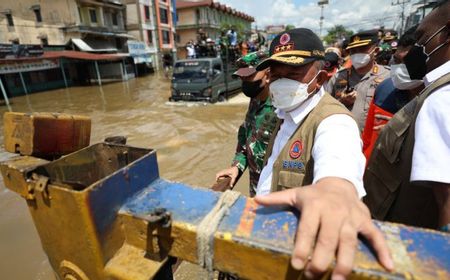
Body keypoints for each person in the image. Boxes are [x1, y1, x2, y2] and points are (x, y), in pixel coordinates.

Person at [253, 28, 393, 279]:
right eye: (276, 74)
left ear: (319, 79)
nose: (282, 83)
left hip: (296, 254)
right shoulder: (284, 112)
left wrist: (337, 191)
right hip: (267, 239)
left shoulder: (334, 121)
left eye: (294, 74)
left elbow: (338, 168)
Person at [364, 0, 450, 231]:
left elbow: (446, 199)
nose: (416, 50)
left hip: (409, 245)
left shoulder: (442, 97)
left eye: (422, 39)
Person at [215, 51, 277, 197]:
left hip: (277, 197)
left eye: (249, 77)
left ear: (267, 75)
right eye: (242, 78)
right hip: (256, 193)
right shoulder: (255, 100)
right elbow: (248, 140)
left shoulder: (282, 108)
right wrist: (237, 166)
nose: (245, 83)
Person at [362, 26, 423, 160]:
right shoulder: (384, 90)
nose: (400, 68)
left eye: (407, 61)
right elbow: (367, 142)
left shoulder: (440, 98)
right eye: (396, 60)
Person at [326, 30, 390, 131]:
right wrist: (342, 102)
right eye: (353, 51)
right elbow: (325, 107)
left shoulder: (388, 76)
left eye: (362, 49)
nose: (357, 54)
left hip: (372, 141)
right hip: (341, 135)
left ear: (376, 51)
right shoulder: (338, 77)